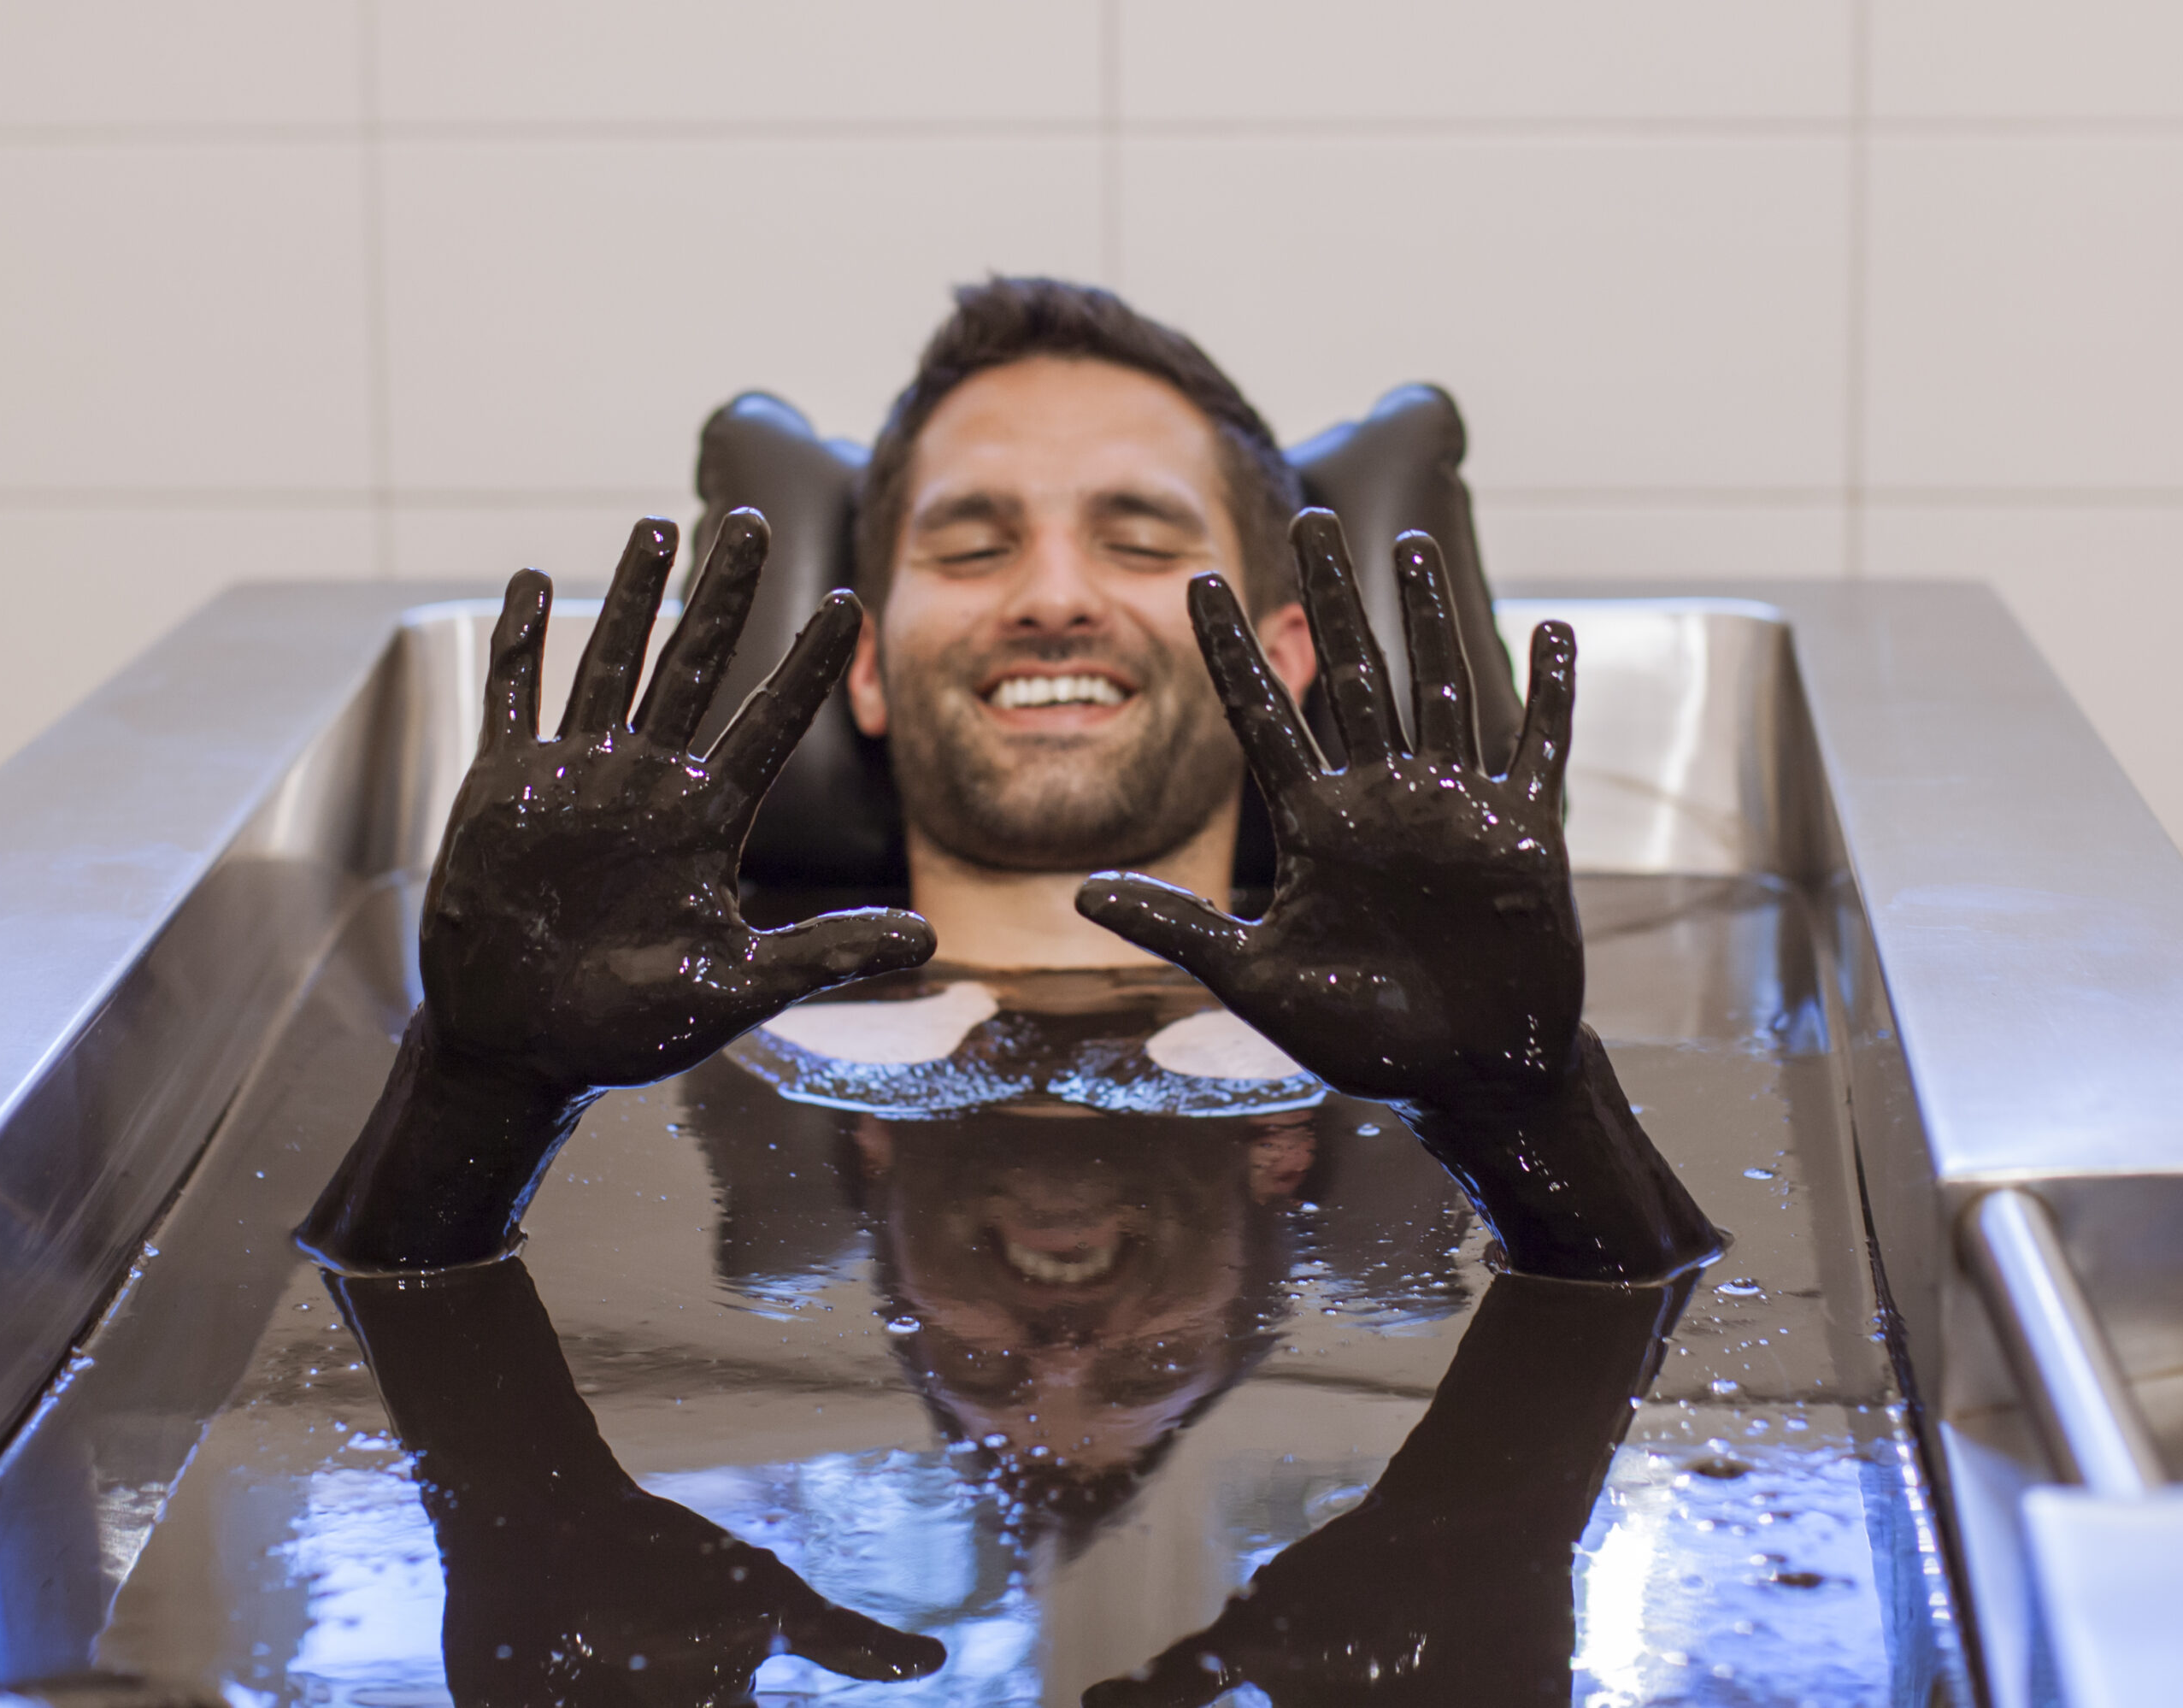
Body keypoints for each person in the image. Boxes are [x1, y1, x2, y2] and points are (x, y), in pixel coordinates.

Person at [295, 277, 1721, 1701]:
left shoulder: (1437, 1054)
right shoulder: (687, 1017)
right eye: (975, 548)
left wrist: (1531, 1114)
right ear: (866, 667)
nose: (1051, 598)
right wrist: (478, 1093)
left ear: (1285, 657)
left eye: (1140, 540)